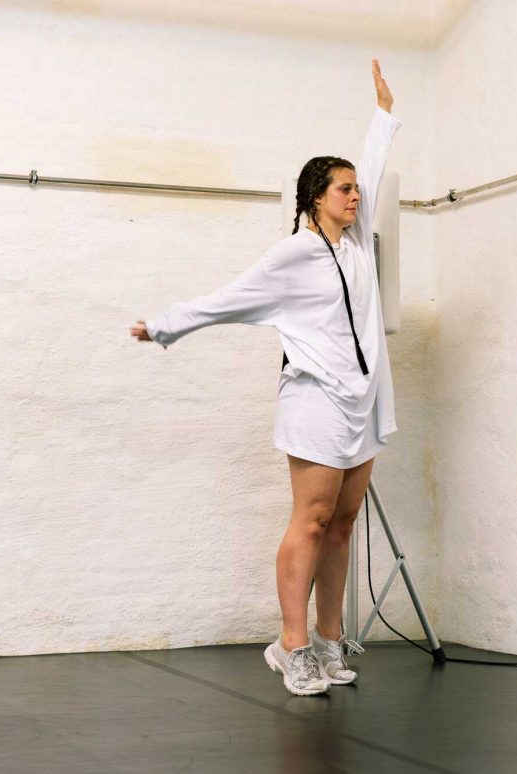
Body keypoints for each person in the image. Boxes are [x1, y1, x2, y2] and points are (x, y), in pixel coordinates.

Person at [130, 59, 400, 696]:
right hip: (315, 401)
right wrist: (165, 325)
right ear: (314, 198)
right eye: (343, 190)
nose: (356, 197)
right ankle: (291, 645)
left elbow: (374, 169)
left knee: (344, 524)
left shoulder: (357, 243)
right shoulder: (294, 254)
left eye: (356, 189)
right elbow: (231, 298)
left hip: (362, 401)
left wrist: (383, 114)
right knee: (312, 521)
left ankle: (329, 641)